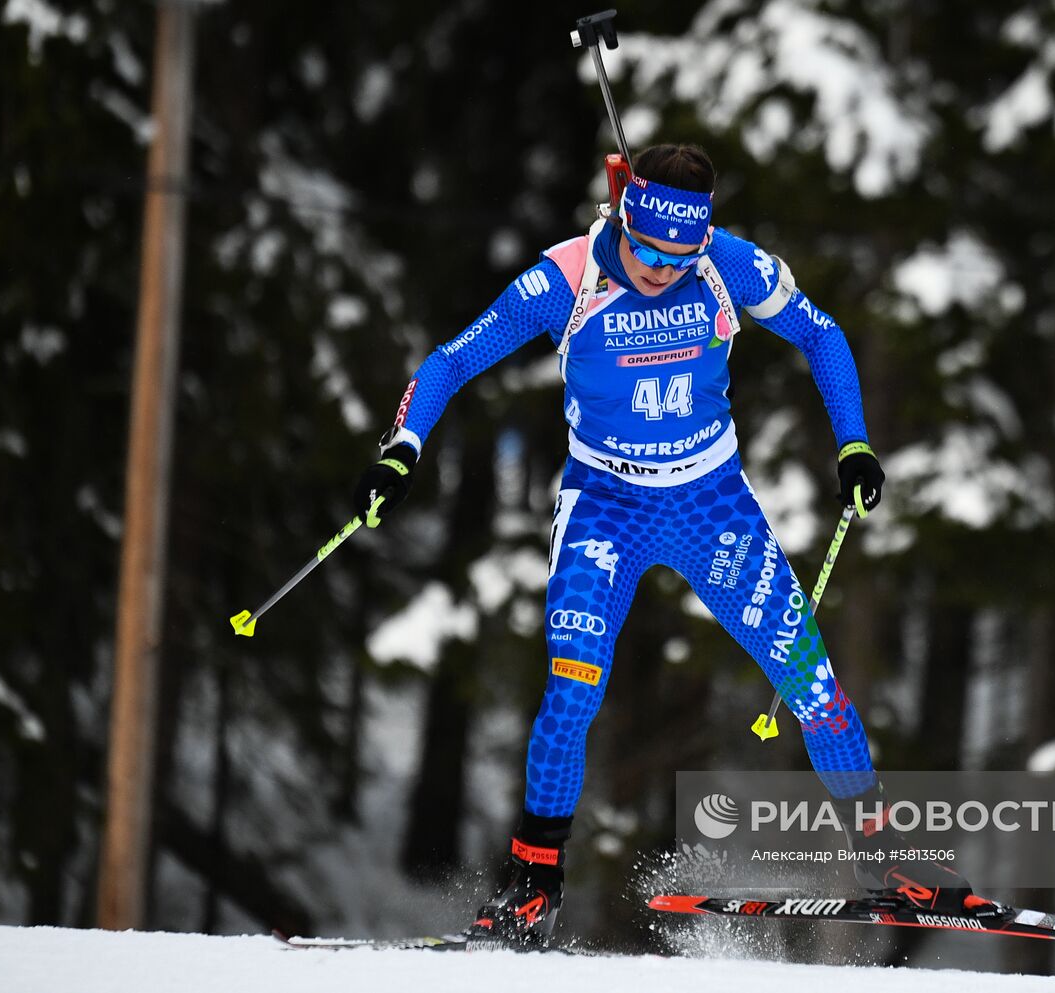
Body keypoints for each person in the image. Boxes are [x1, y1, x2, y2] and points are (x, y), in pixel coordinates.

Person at [353, 144, 972, 945]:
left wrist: (853, 442)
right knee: (572, 689)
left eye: (679, 255)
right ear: (623, 218)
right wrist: (402, 447)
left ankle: (888, 856)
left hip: (710, 504)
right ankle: (532, 882)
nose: (658, 268)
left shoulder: (728, 265)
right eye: (645, 249)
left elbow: (823, 335)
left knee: (811, 681)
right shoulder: (565, 279)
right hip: (604, 505)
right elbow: (450, 359)